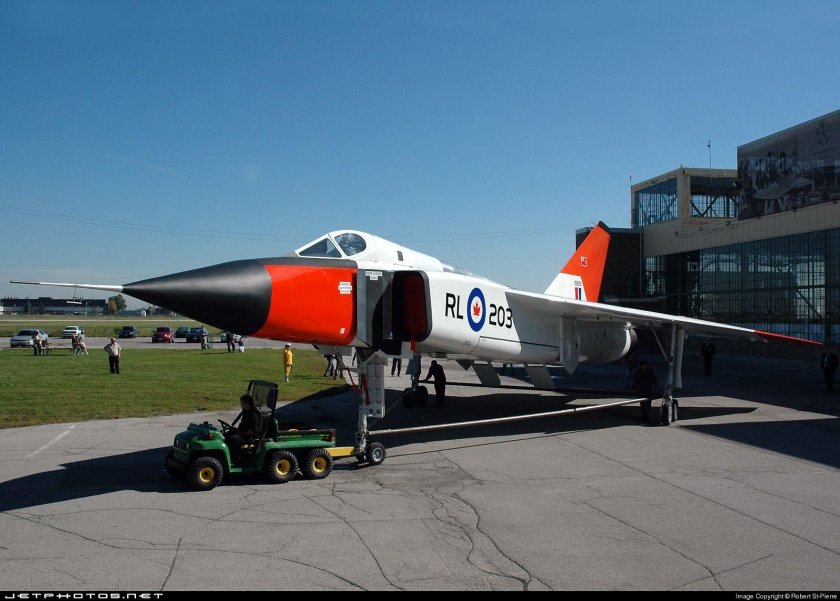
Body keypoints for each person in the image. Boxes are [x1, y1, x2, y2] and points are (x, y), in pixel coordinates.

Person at [226, 394, 263, 464]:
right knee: (226, 433)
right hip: (243, 434)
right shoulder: (246, 412)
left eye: (242, 403)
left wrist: (239, 433)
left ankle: (237, 459)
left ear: (247, 403)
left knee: (232, 438)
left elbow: (253, 431)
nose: (241, 405)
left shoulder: (254, 415)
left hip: (250, 438)